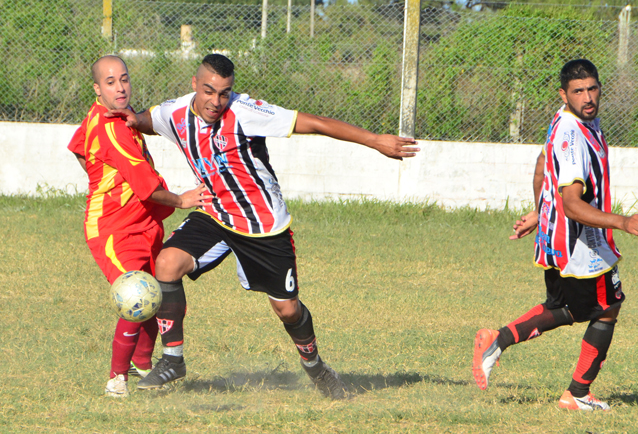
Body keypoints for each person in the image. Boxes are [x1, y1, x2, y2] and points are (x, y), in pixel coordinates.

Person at [108, 53, 419, 399]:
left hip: (263, 227)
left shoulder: (247, 112)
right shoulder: (175, 112)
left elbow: (313, 123)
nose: (216, 101)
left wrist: (374, 140)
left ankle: (316, 367)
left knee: (287, 309)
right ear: (194, 85)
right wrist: (133, 119)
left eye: (224, 93)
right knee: (166, 263)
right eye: (209, 91)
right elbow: (151, 119)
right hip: (215, 213)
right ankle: (173, 359)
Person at [472, 59, 638, 411]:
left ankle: (498, 339)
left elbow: (543, 165)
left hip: (558, 240)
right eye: (578, 91)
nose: (587, 97)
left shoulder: (567, 119)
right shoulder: (574, 133)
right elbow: (571, 203)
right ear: (563, 94)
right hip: (581, 245)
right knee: (607, 307)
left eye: (592, 88)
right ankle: (578, 393)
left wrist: (540, 214)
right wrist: (622, 222)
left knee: (564, 306)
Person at [68, 55, 210, 397]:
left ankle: (142, 364)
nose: (120, 87)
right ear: (97, 88)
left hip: (143, 222)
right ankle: (117, 379)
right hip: (113, 231)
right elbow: (146, 185)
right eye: (111, 82)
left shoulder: (103, 113)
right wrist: (182, 200)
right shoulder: (113, 129)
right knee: (137, 295)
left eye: (124, 79)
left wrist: (101, 175)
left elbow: (77, 147)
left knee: (156, 294)